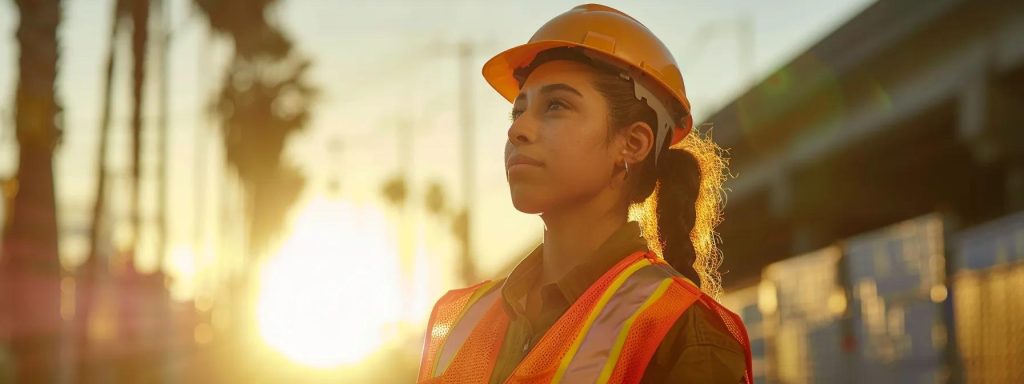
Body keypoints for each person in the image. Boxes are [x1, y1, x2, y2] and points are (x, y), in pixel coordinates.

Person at [418, 4, 753, 383]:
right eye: (519, 111)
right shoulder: (459, 319)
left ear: (633, 144)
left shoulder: (681, 332)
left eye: (556, 105)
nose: (517, 131)